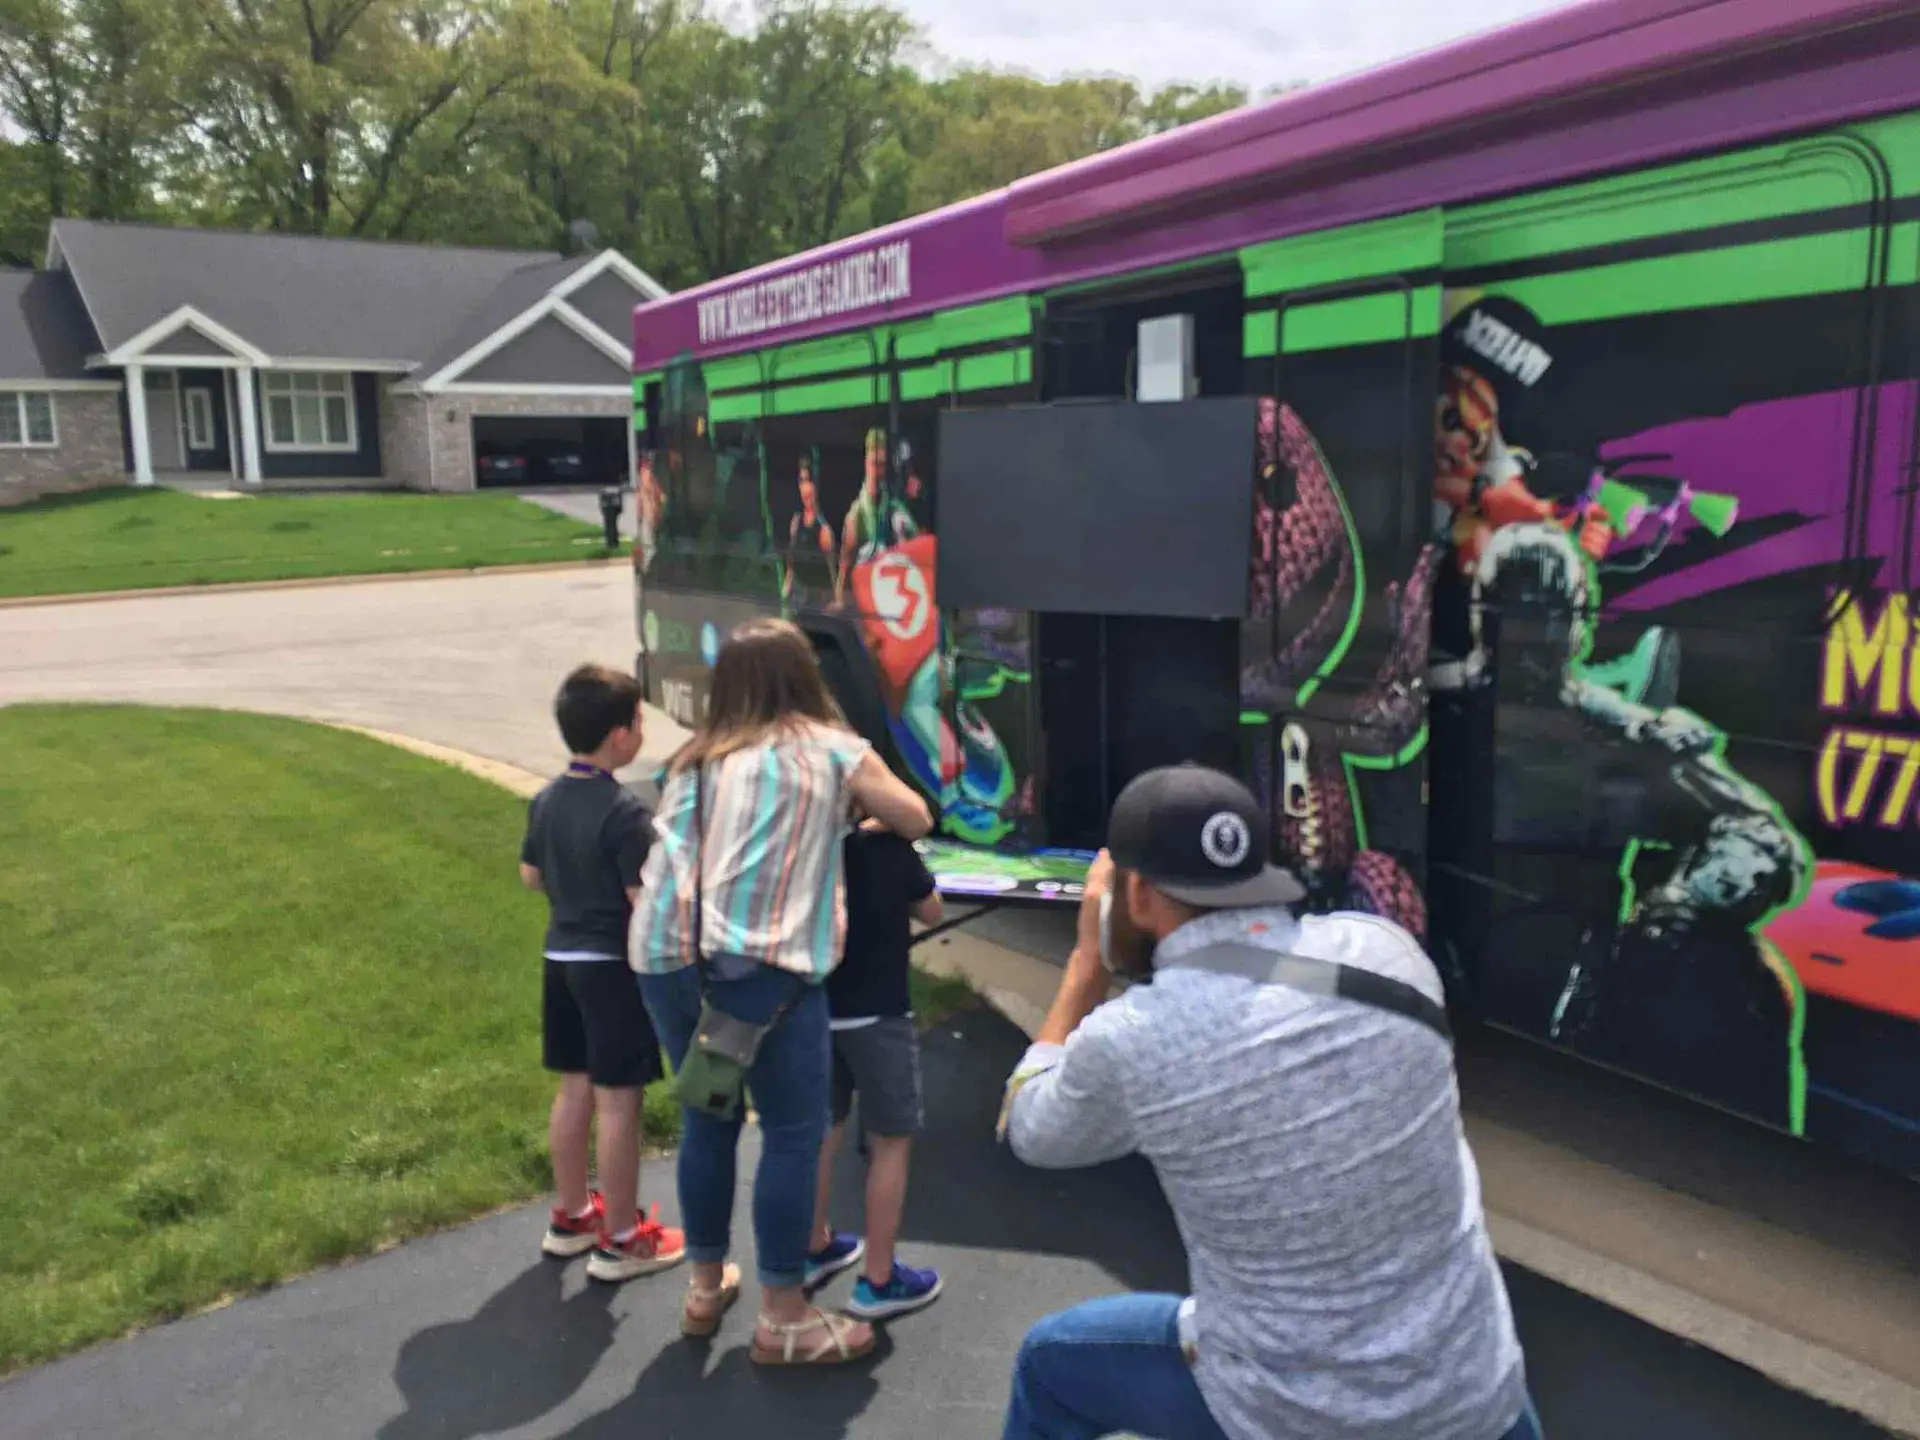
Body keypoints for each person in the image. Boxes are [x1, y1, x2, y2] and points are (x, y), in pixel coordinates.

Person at [998, 763, 1540, 1440]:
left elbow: (1029, 1128)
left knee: (1050, 1364)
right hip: (1474, 1394)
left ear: (1135, 892)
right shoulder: (1389, 955)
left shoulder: (1131, 1040)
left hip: (1296, 1415)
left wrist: (1087, 966)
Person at [631, 618, 934, 1366]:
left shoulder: (695, 759)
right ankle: (784, 1316)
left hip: (664, 952)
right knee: (795, 1132)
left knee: (708, 1118)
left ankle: (705, 1287)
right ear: (805, 676)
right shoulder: (832, 748)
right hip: (759, 960)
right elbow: (915, 814)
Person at [520, 664, 686, 1282]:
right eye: (639, 720)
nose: (643, 730)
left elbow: (531, 876)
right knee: (619, 1102)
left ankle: (572, 1216)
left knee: (575, 1091)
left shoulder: (547, 799)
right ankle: (621, 1238)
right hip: (610, 969)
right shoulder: (625, 812)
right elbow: (644, 902)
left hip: (559, 959)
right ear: (620, 736)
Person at [805, 818, 947, 1319]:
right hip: (880, 1016)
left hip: (817, 1009)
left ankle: (813, 1247)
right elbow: (932, 910)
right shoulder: (890, 847)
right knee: (890, 1141)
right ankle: (879, 1280)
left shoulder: (808, 839)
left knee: (822, 1132)